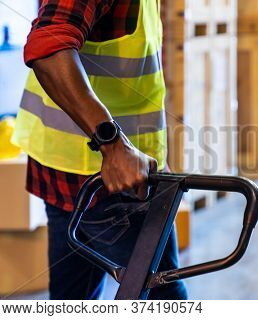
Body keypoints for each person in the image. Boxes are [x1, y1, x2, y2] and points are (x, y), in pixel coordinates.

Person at [11, 0, 187, 300]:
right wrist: (114, 146)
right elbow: (49, 47)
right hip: (110, 182)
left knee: (75, 300)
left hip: (71, 168)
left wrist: (153, 156)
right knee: (166, 299)